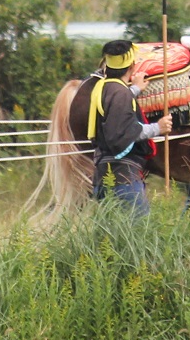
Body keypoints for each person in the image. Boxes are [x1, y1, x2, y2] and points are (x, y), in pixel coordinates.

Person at [72, 40, 172, 215]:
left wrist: (134, 89)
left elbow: (115, 106)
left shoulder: (102, 88)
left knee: (111, 238)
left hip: (103, 178)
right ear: (132, 66)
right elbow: (123, 132)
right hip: (123, 179)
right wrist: (158, 127)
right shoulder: (120, 93)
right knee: (140, 232)